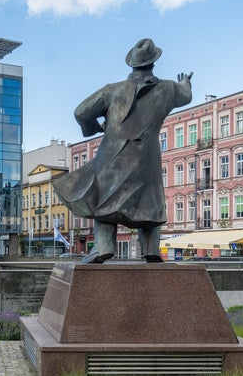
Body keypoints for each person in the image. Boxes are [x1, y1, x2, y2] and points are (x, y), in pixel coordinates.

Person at [53, 38, 193, 263]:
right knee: (149, 204)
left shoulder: (112, 90)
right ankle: (151, 251)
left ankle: (103, 246)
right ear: (153, 63)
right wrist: (186, 82)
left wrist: (94, 128)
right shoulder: (168, 89)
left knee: (104, 201)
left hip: (113, 157)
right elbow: (186, 95)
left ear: (132, 64)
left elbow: (81, 112)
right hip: (147, 159)